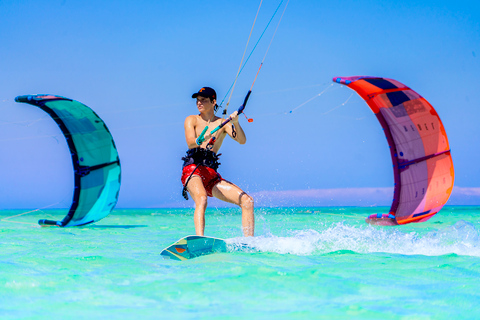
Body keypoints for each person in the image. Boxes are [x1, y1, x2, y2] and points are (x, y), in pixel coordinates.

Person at [181, 87, 254, 237]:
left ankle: (249, 243)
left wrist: (236, 122)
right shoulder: (192, 119)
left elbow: (242, 140)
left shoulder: (223, 123)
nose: (199, 103)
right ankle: (199, 239)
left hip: (211, 174)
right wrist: (202, 138)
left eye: (204, 100)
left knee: (247, 201)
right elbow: (190, 143)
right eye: (198, 100)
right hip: (192, 169)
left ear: (214, 102)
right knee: (201, 199)